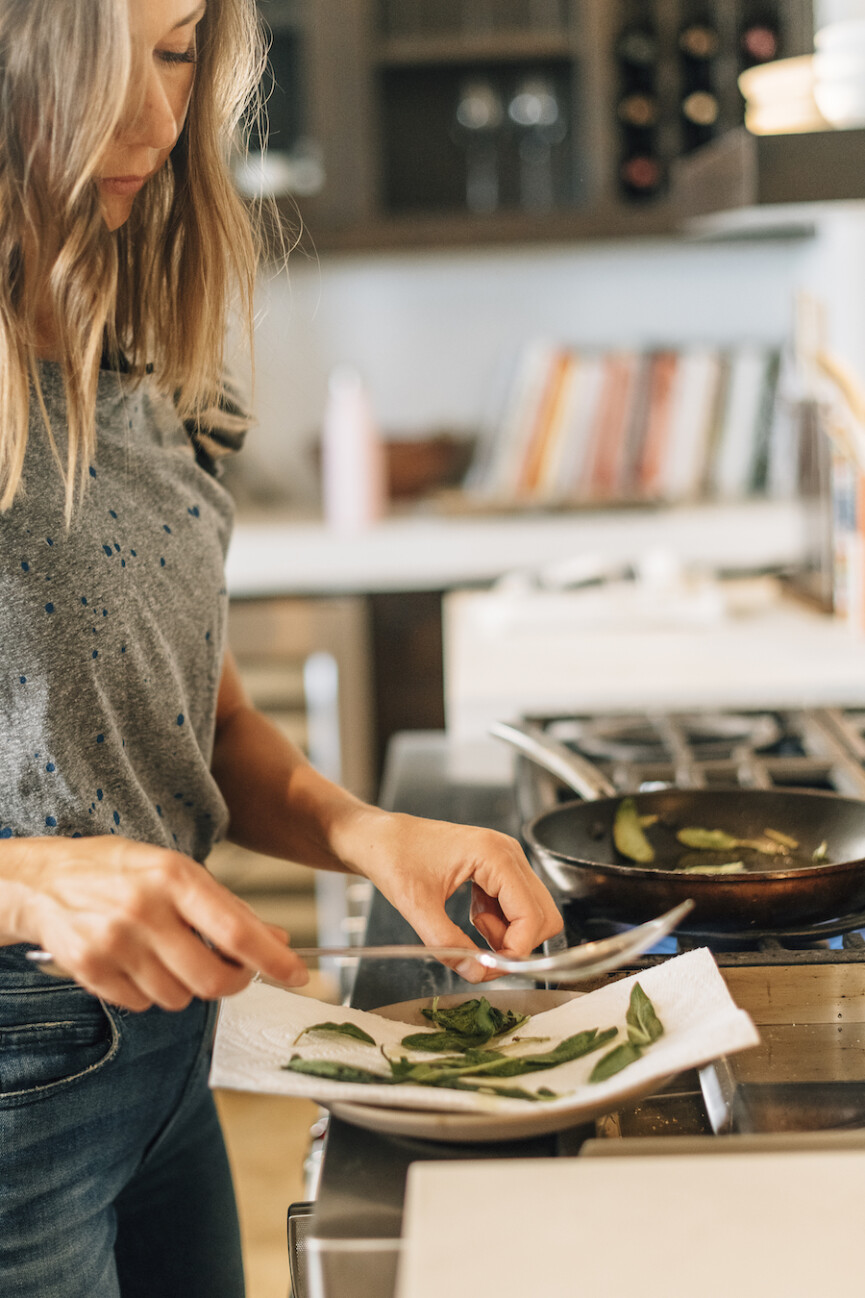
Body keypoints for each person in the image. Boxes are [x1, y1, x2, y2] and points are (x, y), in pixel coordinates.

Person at [0, 2, 562, 1295]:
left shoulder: (125, 351)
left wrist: (372, 834)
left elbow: (209, 729)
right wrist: (30, 883)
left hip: (167, 1075)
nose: (155, 114)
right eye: (102, 59)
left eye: (179, 48)